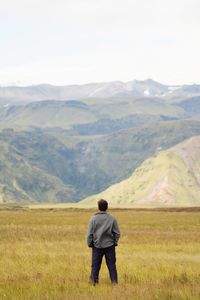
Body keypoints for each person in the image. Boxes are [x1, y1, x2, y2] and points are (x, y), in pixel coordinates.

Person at [87, 199, 120, 285]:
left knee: (95, 266)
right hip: (110, 245)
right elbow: (117, 233)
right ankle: (114, 283)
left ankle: (94, 282)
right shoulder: (112, 218)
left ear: (98, 207)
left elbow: (89, 234)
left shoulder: (93, 219)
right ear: (107, 207)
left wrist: (90, 244)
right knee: (112, 265)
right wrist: (114, 242)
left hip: (97, 246)